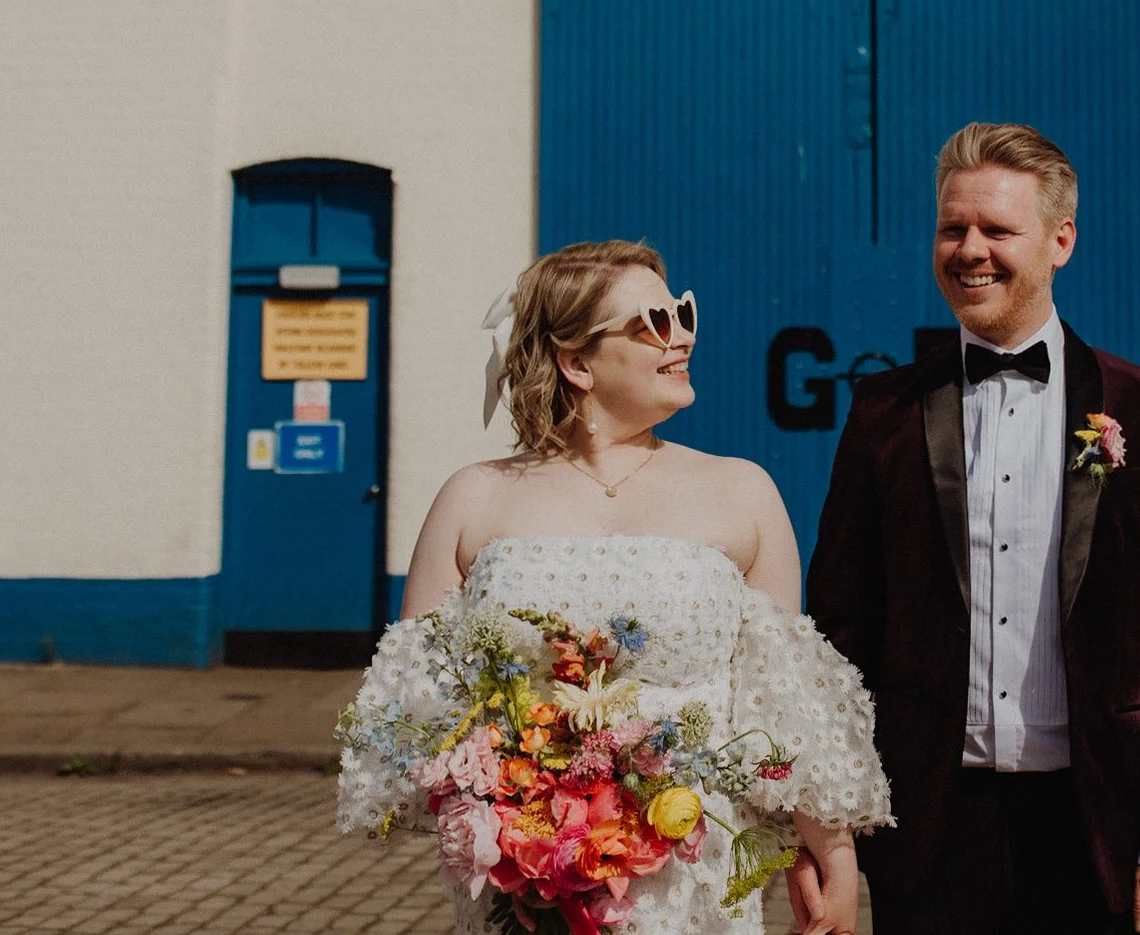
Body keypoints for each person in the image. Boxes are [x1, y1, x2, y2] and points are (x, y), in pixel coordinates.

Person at [337, 241, 889, 935]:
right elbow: (417, 707)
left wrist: (831, 849)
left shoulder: (742, 491)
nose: (682, 333)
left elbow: (778, 702)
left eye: (683, 312)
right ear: (576, 361)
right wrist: (506, 803)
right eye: (652, 322)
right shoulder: (473, 496)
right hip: (525, 874)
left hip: (696, 868)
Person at [808, 124, 1140, 935]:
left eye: (997, 230)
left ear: (1061, 239)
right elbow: (839, 633)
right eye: (951, 228)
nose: (969, 250)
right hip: (925, 822)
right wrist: (831, 831)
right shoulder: (883, 413)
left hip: (1094, 819)